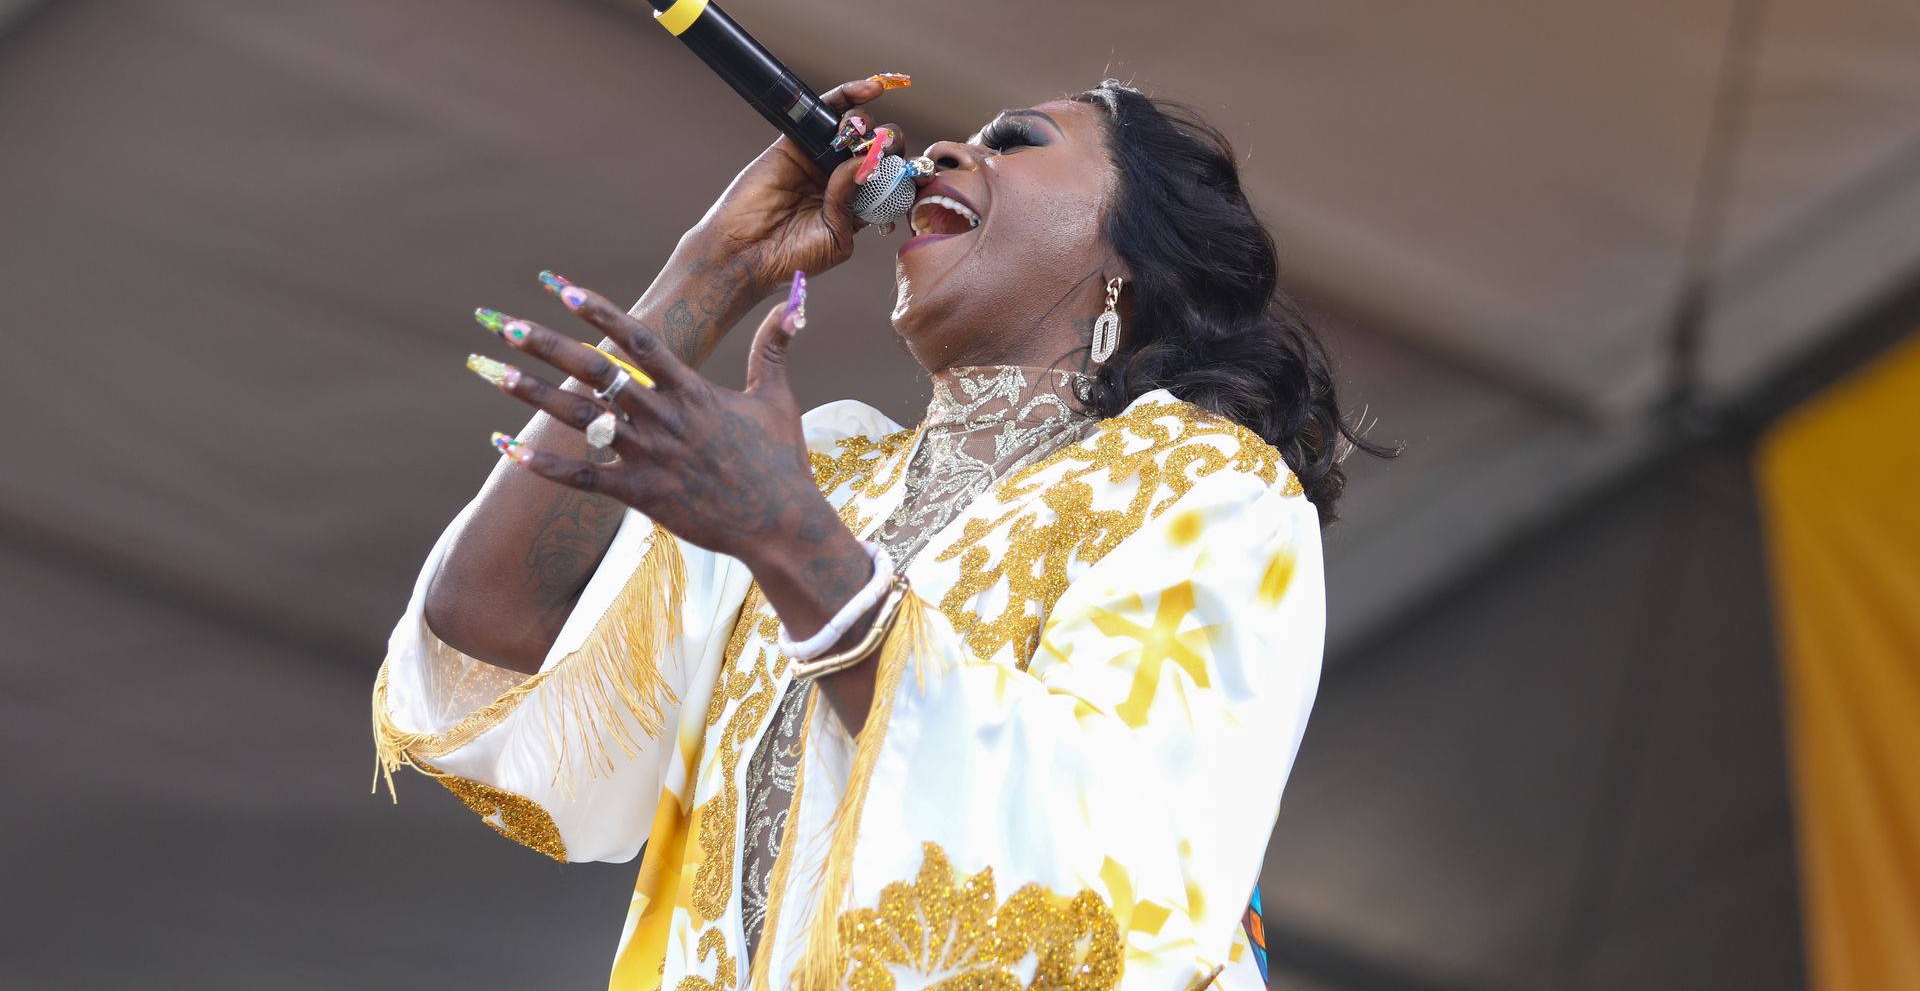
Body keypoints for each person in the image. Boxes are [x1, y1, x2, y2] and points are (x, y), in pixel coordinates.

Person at [372, 74, 1392, 990]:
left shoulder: (1201, 484)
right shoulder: (835, 474)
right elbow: (486, 624)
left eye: (1015, 140)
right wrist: (717, 265)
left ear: (1133, 246)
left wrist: (792, 546)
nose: (946, 154)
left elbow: (1122, 877)